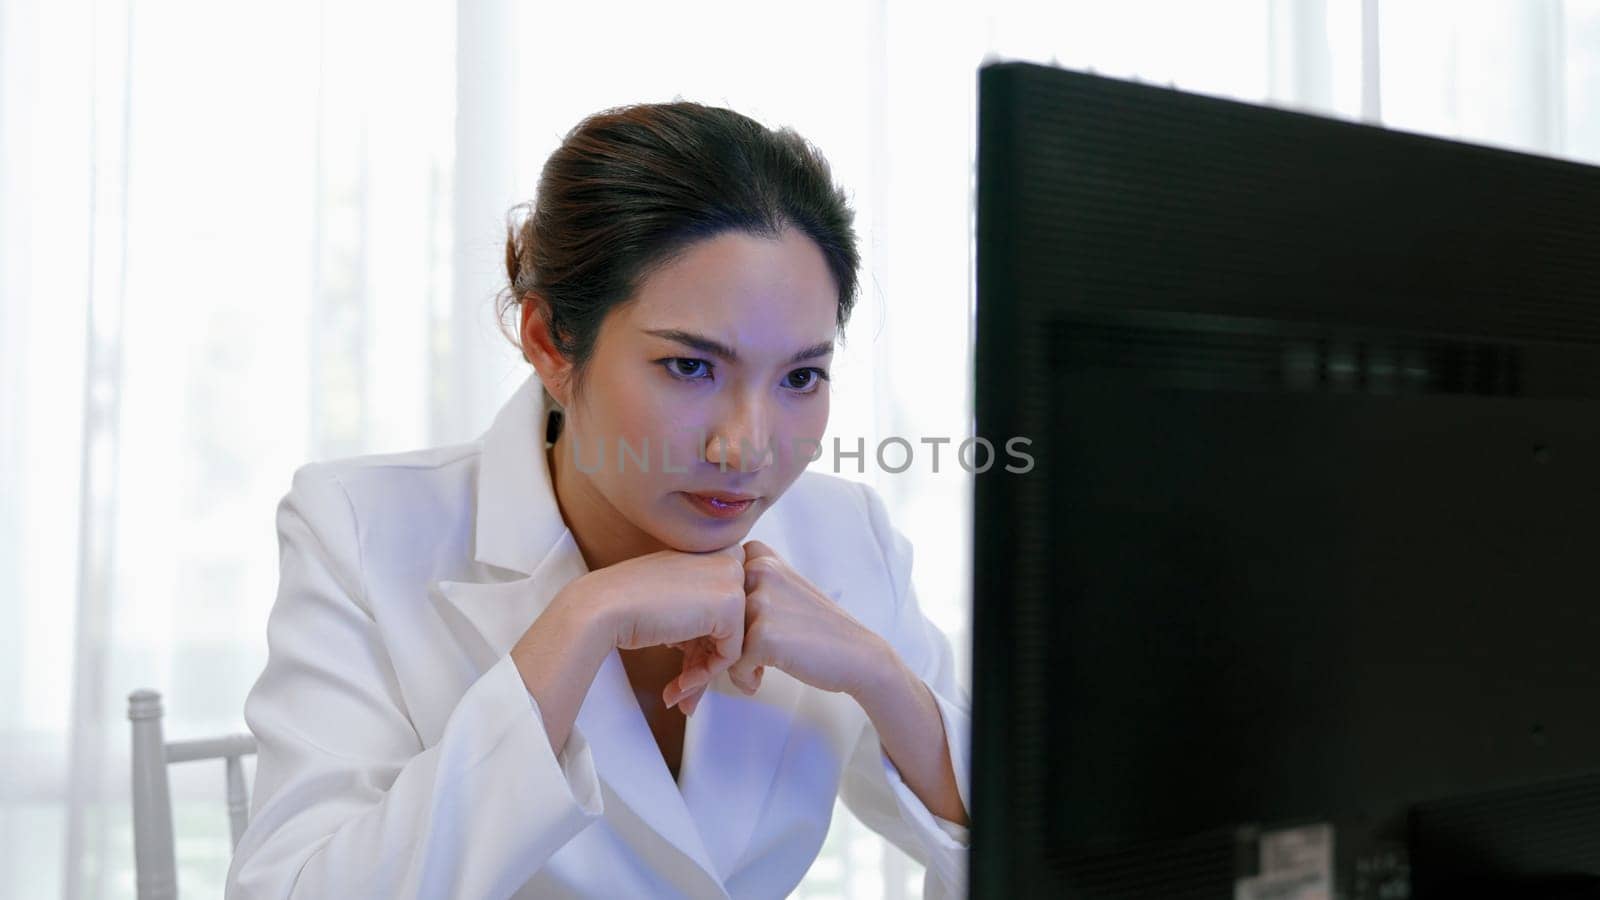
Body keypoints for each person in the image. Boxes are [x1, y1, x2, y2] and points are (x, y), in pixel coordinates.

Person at [224, 100, 970, 900]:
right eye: (690, 367)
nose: (747, 446)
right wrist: (582, 621)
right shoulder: (361, 532)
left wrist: (884, 681)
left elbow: (1060, 860)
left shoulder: (843, 535)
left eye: (800, 377)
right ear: (549, 341)